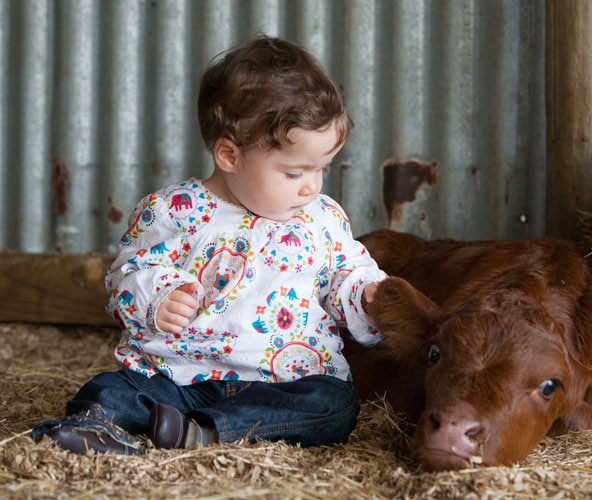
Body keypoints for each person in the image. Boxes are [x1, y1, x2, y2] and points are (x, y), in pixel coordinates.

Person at [32, 35, 386, 455]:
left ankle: (205, 432)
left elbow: (344, 275)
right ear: (229, 156)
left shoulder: (322, 218)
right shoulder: (173, 211)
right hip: (181, 377)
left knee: (333, 405)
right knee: (113, 387)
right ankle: (96, 427)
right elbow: (127, 274)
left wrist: (366, 295)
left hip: (284, 381)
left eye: (322, 168)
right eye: (294, 173)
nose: (312, 186)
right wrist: (157, 297)